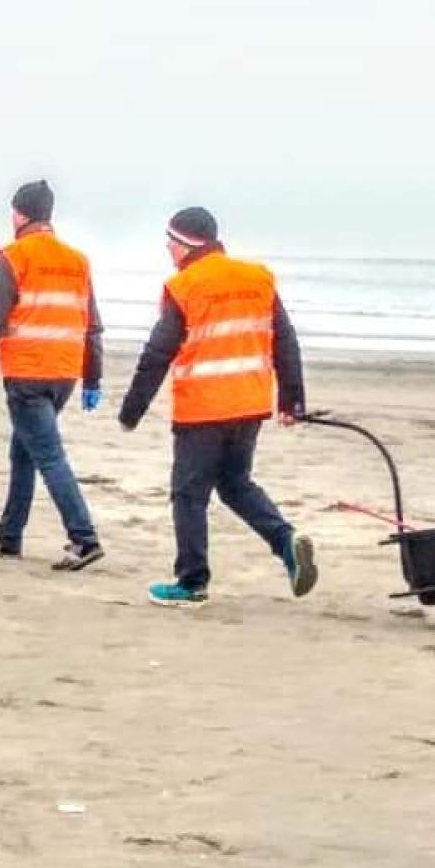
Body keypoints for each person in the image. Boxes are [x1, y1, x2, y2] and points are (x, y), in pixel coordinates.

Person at [117, 206, 318, 607]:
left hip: (204, 409)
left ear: (183, 245)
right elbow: (285, 340)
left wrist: (131, 410)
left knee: (188, 494)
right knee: (234, 483)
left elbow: (158, 353)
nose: (168, 251)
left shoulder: (185, 285)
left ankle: (192, 582)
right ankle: (286, 542)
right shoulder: (257, 278)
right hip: (249, 403)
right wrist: (291, 399)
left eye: (169, 243)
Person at [0, 180, 105, 572]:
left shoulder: (13, 257)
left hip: (28, 373)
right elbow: (92, 326)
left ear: (19, 213)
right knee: (24, 451)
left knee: (48, 455)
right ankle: (9, 534)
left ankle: (84, 538)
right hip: (64, 373)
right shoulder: (77, 261)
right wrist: (92, 379)